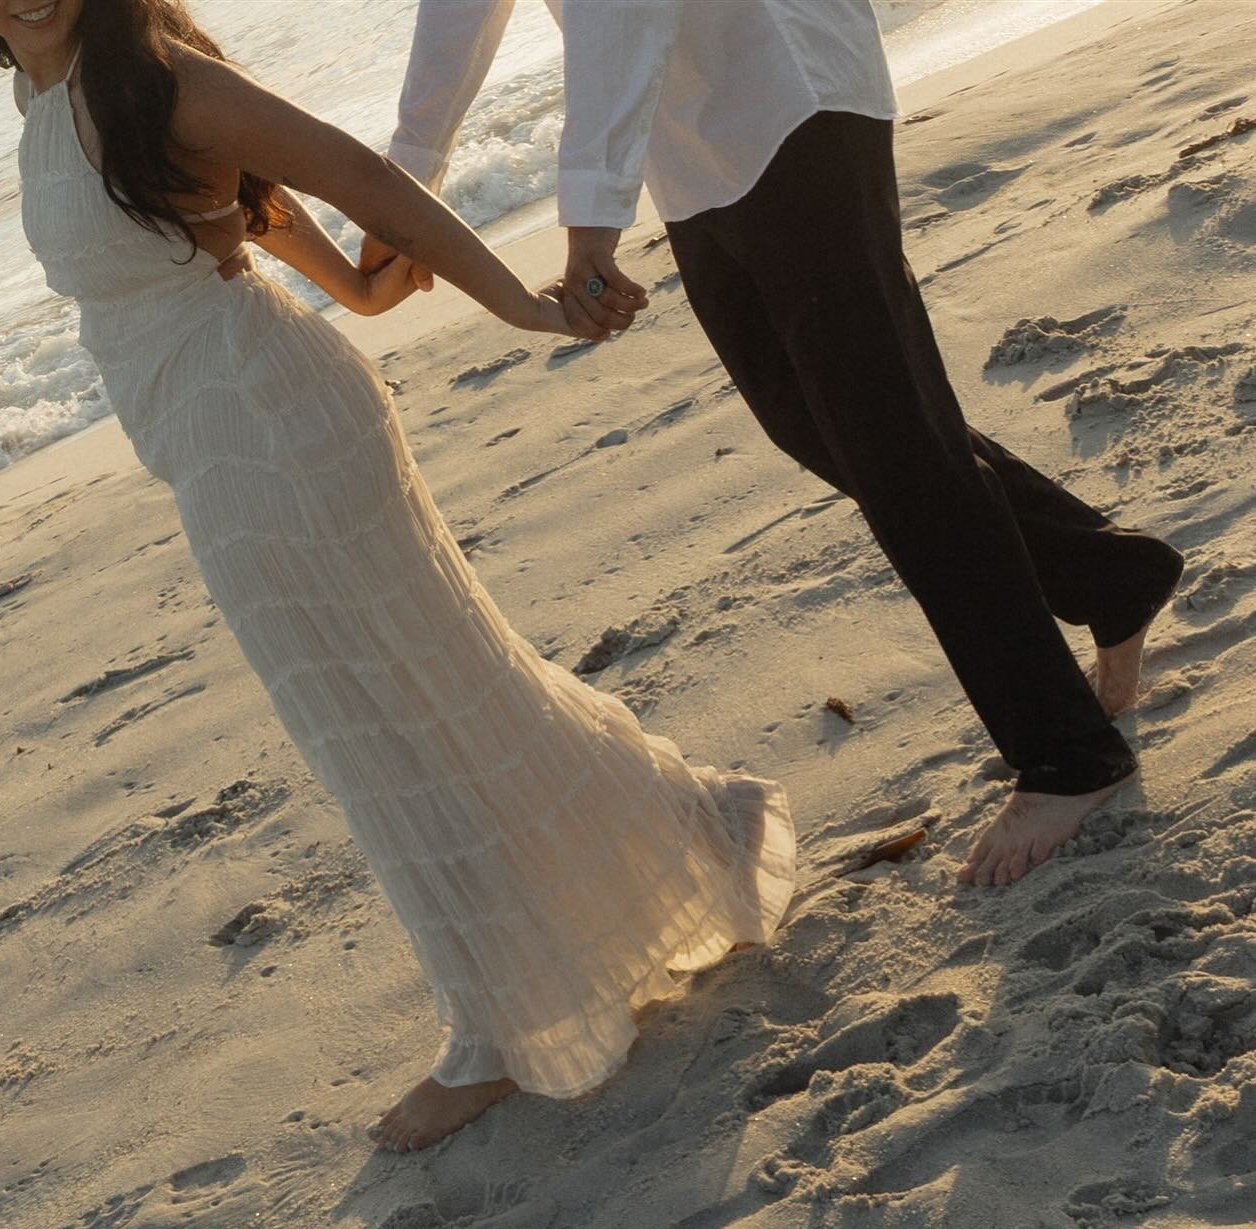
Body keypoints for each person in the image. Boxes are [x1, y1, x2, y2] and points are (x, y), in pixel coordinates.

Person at [0, 0, 797, 1154]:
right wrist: (348, 286)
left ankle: (499, 1031)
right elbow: (239, 206)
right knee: (423, 699)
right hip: (214, 435)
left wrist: (519, 305)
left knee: (382, 721)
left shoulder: (163, 76)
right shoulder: (43, 93)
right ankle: (692, 843)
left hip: (267, 425)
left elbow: (353, 172)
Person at [366, 0, 1186, 888]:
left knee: (892, 443)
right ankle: (1105, 573)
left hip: (786, 94)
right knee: (822, 424)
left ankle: (1068, 756)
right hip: (696, 143)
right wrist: (406, 189)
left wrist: (590, 225)